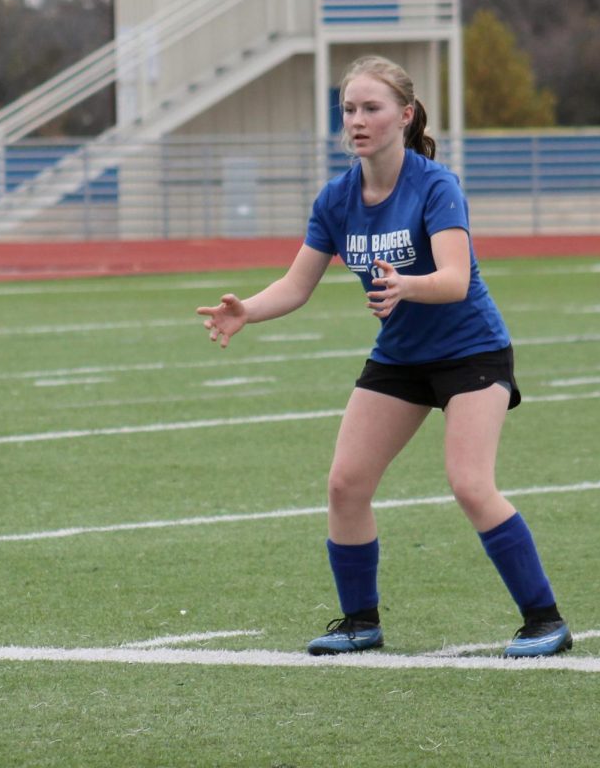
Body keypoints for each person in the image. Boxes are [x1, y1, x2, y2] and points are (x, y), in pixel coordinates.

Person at [196, 55, 571, 658]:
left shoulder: (435, 185)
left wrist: (405, 286)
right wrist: (247, 311)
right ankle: (360, 622)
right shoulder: (336, 198)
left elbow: (453, 278)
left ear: (405, 114)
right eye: (348, 109)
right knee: (346, 484)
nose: (357, 120)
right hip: (400, 357)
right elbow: (296, 286)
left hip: (471, 351)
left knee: (470, 484)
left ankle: (545, 619)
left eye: (371, 108)